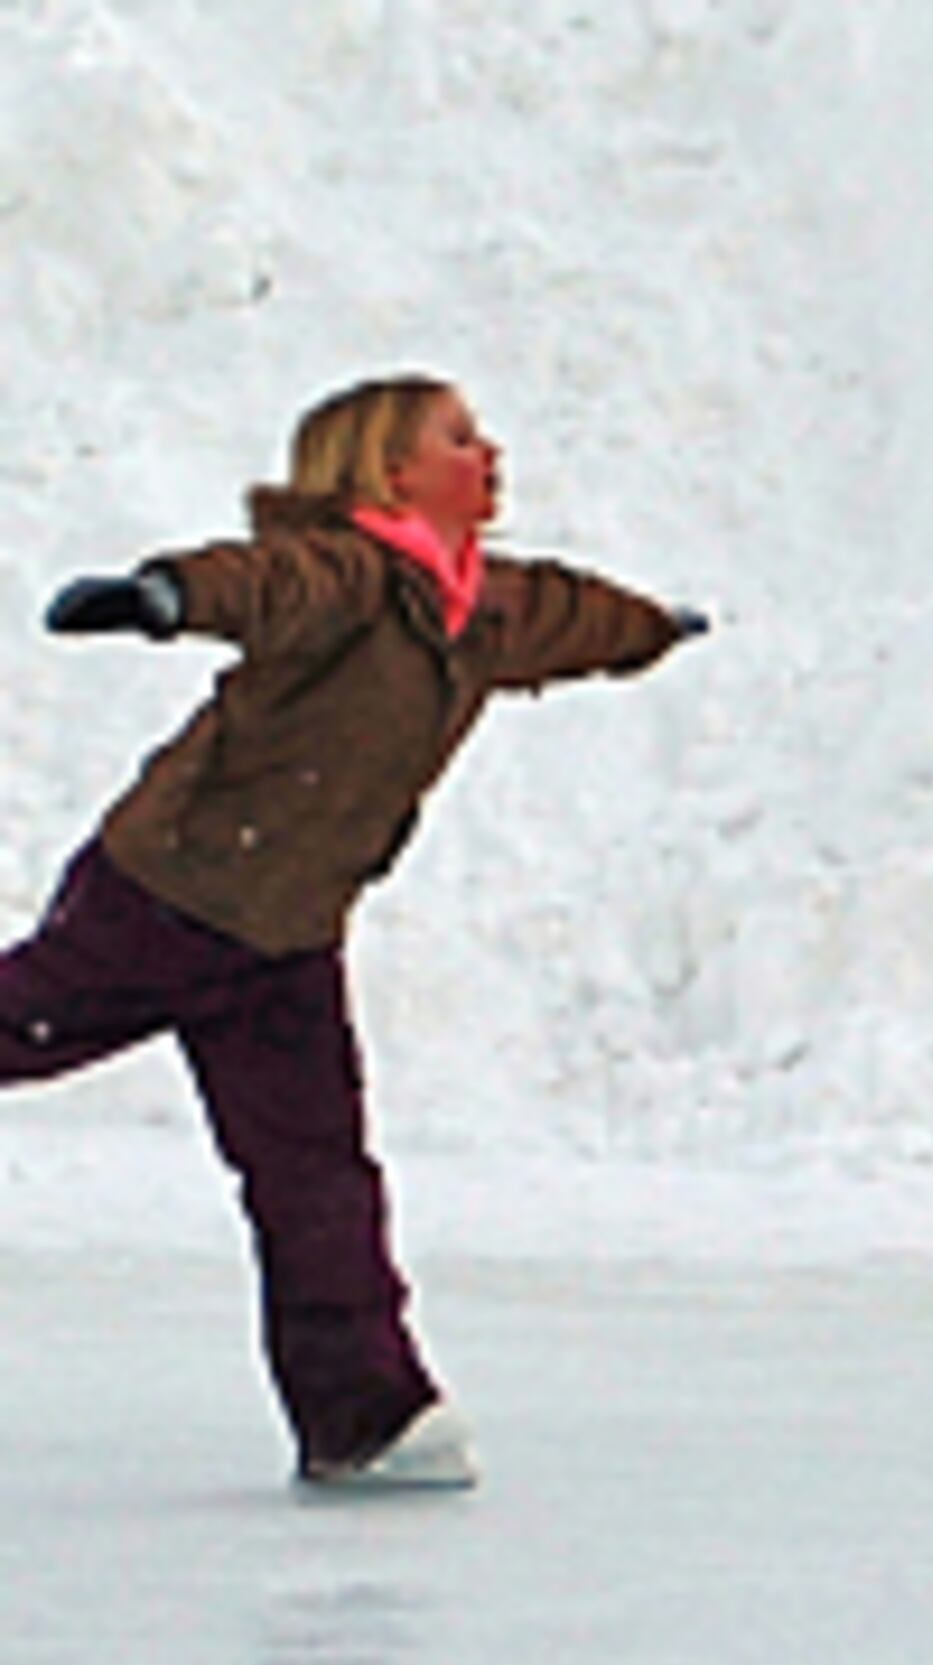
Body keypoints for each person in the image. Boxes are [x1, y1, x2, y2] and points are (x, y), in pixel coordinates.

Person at [13, 374, 703, 1490]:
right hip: (172, 899)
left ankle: (365, 1418)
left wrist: (649, 632)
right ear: (391, 474)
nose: (490, 451)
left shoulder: (482, 606)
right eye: (460, 439)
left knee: (318, 1180)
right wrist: (162, 598)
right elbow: (263, 582)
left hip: (285, 937)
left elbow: (572, 612)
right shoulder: (348, 575)